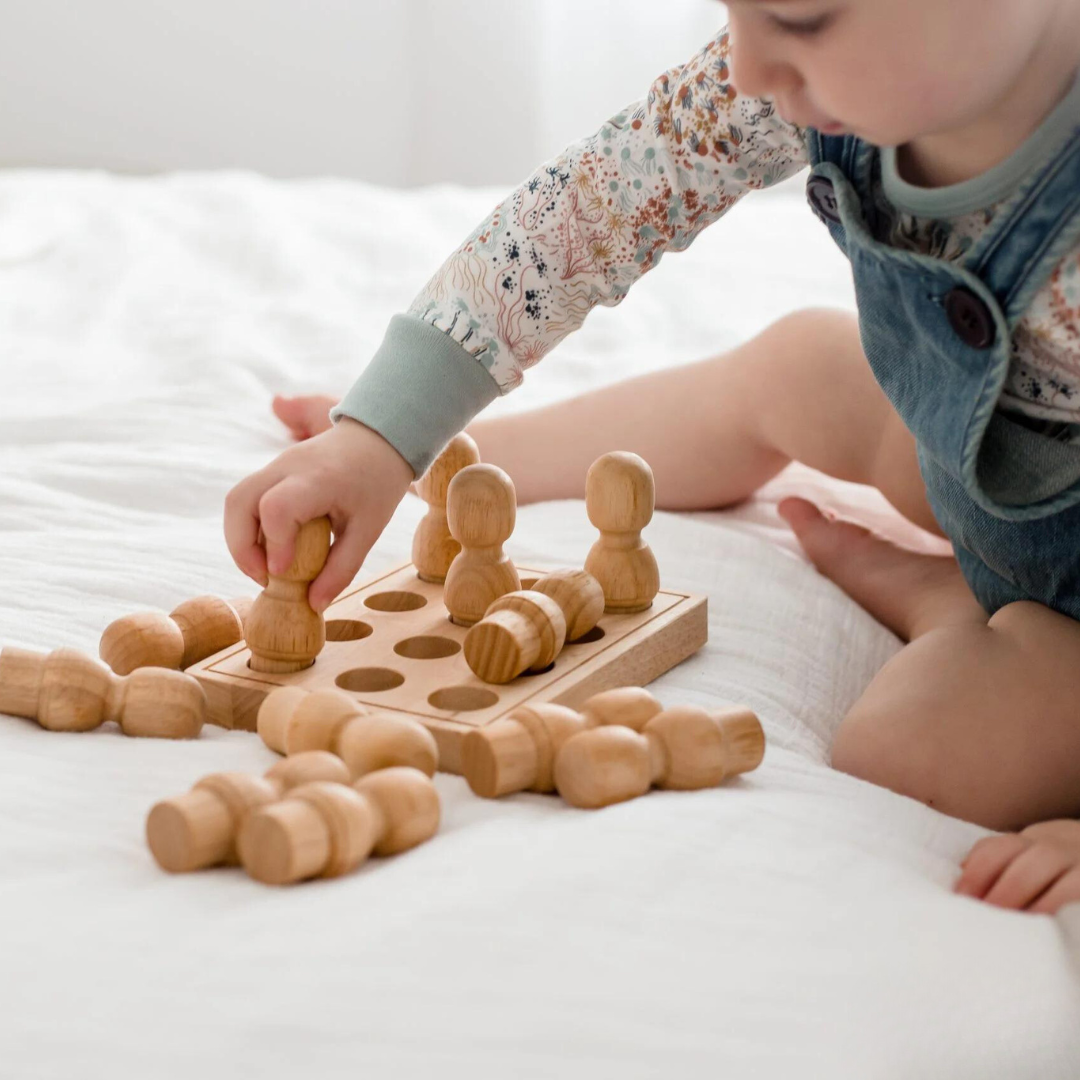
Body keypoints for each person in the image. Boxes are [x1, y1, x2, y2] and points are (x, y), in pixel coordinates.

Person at [224, 1, 1080, 914]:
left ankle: (952, 612)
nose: (749, 69)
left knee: (910, 754)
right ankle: (468, 460)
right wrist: (385, 434)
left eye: (799, 18)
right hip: (981, 461)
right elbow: (583, 217)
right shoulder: (787, 87)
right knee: (794, 366)